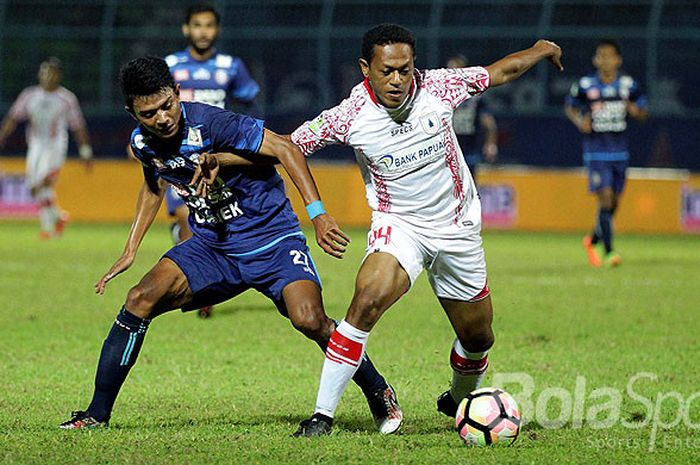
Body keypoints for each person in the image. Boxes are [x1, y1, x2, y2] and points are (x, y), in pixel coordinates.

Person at [59, 56, 403, 434]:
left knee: (310, 320)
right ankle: (96, 414)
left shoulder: (213, 122)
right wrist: (130, 249)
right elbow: (154, 183)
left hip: (272, 240)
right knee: (139, 299)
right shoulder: (143, 143)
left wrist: (318, 214)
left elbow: (287, 149)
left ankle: (377, 389)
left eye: (166, 106)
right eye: (148, 113)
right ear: (132, 113)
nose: (161, 119)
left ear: (177, 94)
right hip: (212, 247)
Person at [288, 24, 563, 436]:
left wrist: (540, 49)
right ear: (367, 69)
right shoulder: (349, 116)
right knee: (366, 300)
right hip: (400, 226)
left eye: (405, 69)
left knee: (478, 337)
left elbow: (500, 72)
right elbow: (288, 146)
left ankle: (458, 399)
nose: (397, 80)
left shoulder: (440, 86)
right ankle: (321, 417)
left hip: (458, 228)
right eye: (387, 72)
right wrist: (315, 210)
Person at [164, 3, 262, 317]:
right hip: (179, 160)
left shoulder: (230, 66)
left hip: (217, 161)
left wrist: (247, 143)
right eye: (197, 25)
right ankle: (202, 293)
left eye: (208, 25)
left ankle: (197, 266)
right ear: (186, 29)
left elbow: (250, 104)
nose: (203, 31)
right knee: (184, 217)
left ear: (216, 30)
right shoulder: (170, 65)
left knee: (217, 225)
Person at [565, 40, 647, 268]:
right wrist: (580, 120)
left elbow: (643, 112)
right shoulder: (585, 85)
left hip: (620, 153)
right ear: (595, 60)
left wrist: (636, 111)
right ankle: (610, 252)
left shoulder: (628, 85)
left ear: (618, 60)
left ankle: (592, 239)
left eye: (610, 56)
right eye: (601, 56)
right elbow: (570, 106)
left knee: (613, 205)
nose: (605, 60)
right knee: (606, 198)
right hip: (596, 153)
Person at [0, 57, 92, 239]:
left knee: (42, 182)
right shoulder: (29, 95)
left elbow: (78, 125)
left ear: (58, 75)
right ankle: (59, 217)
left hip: (55, 146)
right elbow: (13, 117)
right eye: (44, 71)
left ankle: (47, 229)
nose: (46, 75)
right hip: (35, 145)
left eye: (51, 72)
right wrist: (2, 136)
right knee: (34, 186)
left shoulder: (66, 98)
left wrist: (85, 150)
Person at [447, 54, 498, 181]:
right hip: (447, 152)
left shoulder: (474, 97)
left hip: (469, 150)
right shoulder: (442, 95)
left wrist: (490, 144)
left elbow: (488, 122)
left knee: (468, 184)